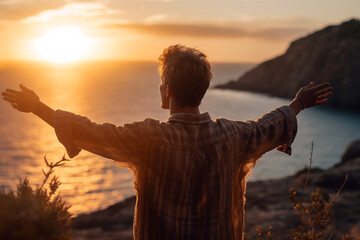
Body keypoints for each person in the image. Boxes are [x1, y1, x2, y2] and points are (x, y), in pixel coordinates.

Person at [1, 44, 333, 240]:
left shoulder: (149, 138)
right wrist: (298, 103)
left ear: (168, 90)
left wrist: (38, 108)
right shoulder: (232, 135)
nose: (160, 87)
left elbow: (91, 131)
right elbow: (268, 127)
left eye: (162, 82)